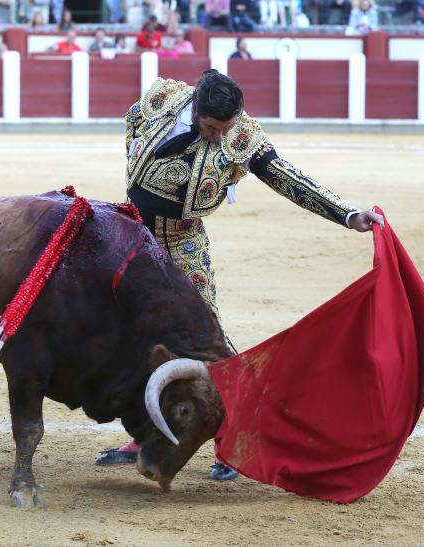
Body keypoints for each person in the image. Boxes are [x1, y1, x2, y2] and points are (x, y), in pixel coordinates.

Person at [96, 70, 383, 481]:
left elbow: (286, 177)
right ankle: (145, 434)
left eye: (225, 129)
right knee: (135, 335)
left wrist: (347, 214)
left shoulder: (241, 136)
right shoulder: (164, 97)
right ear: (195, 108)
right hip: (134, 237)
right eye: (212, 129)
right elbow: (133, 119)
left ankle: (234, 441)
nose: (220, 137)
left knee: (207, 342)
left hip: (182, 241)